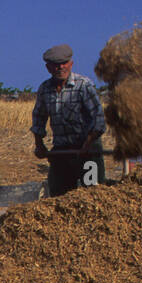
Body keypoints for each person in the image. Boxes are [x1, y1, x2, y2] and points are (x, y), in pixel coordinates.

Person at [31, 44, 107, 195]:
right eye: (56, 65)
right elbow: (39, 119)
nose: (60, 68)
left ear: (70, 64)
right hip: (61, 151)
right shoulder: (45, 89)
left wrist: (88, 144)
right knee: (59, 196)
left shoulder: (83, 85)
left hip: (87, 151)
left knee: (93, 194)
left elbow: (98, 119)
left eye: (64, 64)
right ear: (48, 68)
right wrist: (39, 145)